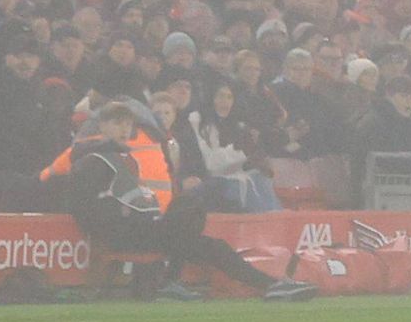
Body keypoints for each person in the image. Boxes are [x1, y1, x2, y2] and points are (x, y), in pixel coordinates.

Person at [41, 97, 316, 299]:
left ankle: (271, 286)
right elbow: (85, 205)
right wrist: (121, 219)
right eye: (117, 123)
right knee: (190, 217)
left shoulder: (121, 156)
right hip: (121, 230)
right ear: (101, 125)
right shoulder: (90, 156)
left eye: (127, 123)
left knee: (204, 235)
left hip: (144, 226)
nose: (124, 129)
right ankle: (171, 282)